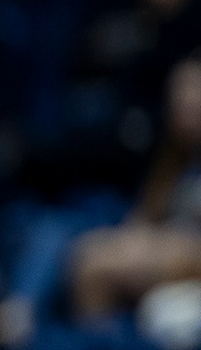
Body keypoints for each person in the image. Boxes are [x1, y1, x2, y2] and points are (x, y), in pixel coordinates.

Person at [71, 53, 201, 321]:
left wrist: (161, 245)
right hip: (167, 252)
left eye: (193, 93)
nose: (183, 102)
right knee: (88, 254)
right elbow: (143, 218)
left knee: (99, 265)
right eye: (177, 94)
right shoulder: (171, 160)